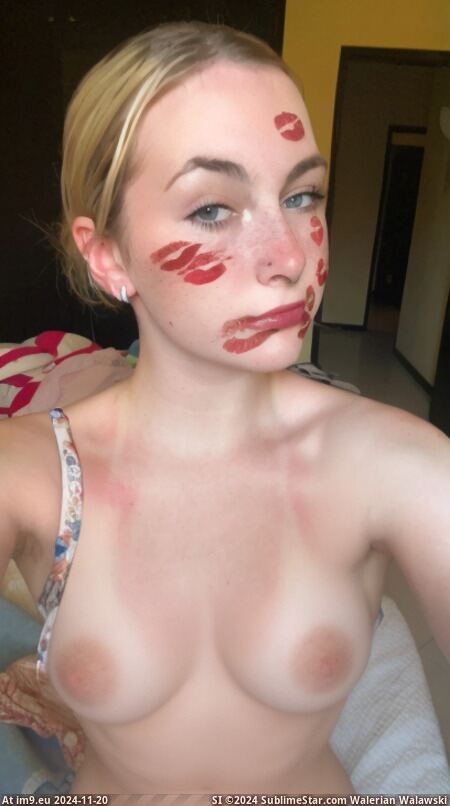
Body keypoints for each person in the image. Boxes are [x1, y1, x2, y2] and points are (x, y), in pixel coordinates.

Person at [1, 20, 449, 796]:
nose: (290, 256)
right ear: (107, 255)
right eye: (213, 209)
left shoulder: (393, 464)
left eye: (302, 195)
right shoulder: (32, 474)